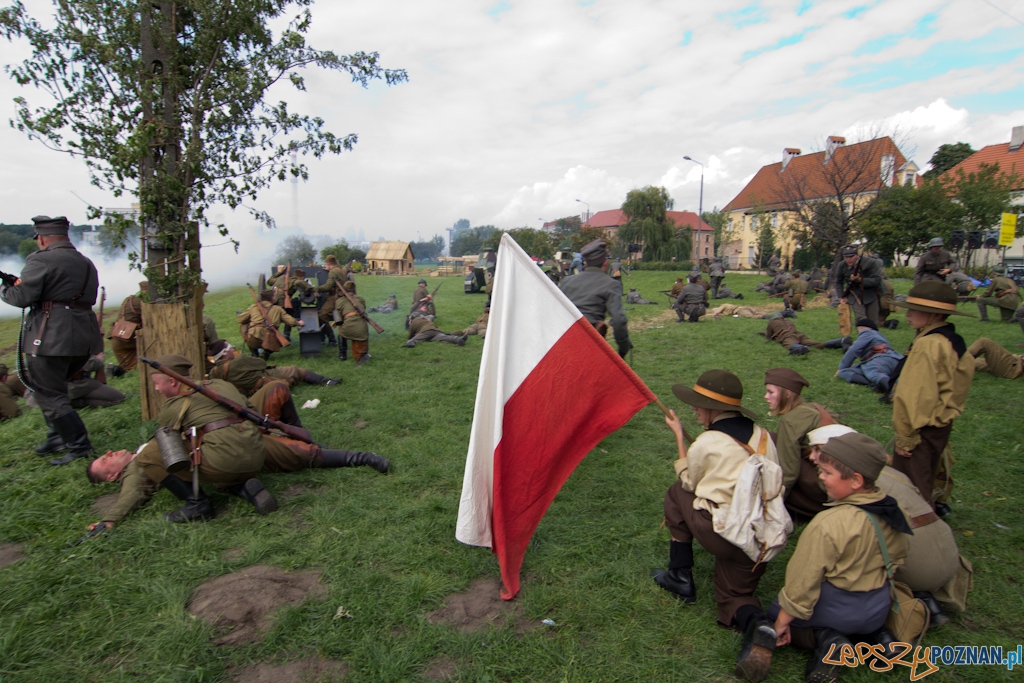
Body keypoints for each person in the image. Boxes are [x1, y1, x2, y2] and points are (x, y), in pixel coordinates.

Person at [655, 370, 781, 682]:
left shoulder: (709, 441)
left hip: (722, 532)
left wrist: (679, 437)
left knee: (676, 494)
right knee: (734, 595)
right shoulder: (763, 435)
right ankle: (758, 625)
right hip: (760, 538)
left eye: (698, 404)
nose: (693, 409)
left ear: (713, 408)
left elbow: (689, 481)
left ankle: (680, 574)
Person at [769, 432, 911, 683]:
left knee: (776, 612)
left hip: (838, 611)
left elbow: (804, 581)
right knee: (858, 622)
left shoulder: (829, 523)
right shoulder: (894, 511)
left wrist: (781, 621)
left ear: (856, 480)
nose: (821, 478)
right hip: (877, 608)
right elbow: (898, 558)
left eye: (827, 473)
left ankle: (829, 641)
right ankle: (878, 638)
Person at [806, 426, 970, 627]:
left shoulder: (856, 487)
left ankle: (910, 596)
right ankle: (928, 601)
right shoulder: (889, 474)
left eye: (819, 451)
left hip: (917, 563)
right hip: (947, 550)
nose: (813, 457)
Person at [83, 354, 269, 527]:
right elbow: (252, 411)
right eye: (104, 460)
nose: (156, 389)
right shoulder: (219, 384)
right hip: (257, 454)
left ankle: (198, 504)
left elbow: (167, 442)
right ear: (112, 476)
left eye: (156, 383)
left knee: (151, 452)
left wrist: (109, 521)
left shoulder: (173, 406)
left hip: (226, 457)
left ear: (172, 381)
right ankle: (239, 486)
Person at [86, 426, 389, 530]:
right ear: (112, 475)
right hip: (212, 462)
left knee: (302, 455)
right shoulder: (138, 466)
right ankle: (204, 502)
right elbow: (131, 494)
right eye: (105, 460)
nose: (110, 452)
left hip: (228, 447)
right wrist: (110, 520)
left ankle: (360, 457)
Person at [0, 215, 103, 466]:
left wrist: (6, 289)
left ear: (42, 238)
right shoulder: (86, 262)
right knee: (53, 389)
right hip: (82, 337)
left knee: (48, 392)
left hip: (51, 337)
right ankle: (56, 436)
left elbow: (22, 297)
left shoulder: (40, 259)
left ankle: (79, 446)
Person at [889, 281, 974, 513]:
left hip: (920, 428)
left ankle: (924, 538)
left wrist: (906, 435)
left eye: (913, 310)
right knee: (926, 475)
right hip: (940, 424)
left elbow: (914, 394)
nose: (907, 314)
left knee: (910, 488)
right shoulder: (951, 338)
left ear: (933, 314)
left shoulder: (928, 344)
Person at [763, 368, 834, 519]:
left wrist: (774, 506)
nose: (766, 397)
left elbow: (789, 474)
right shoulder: (814, 408)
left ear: (787, 394)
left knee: (770, 443)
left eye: (771, 392)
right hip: (840, 473)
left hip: (828, 485)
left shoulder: (790, 422)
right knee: (775, 439)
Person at [559, 240, 632, 358]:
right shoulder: (610, 284)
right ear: (606, 262)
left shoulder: (567, 282)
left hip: (564, 345)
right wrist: (624, 348)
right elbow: (618, 321)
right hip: (591, 346)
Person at [835, 318, 903, 393]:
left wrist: (841, 367)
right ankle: (879, 384)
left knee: (876, 374)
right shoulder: (880, 336)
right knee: (844, 372)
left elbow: (854, 349)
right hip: (896, 360)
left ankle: (894, 393)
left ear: (861, 328)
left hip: (879, 359)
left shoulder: (867, 332)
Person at [237, 289, 303, 361]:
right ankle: (267, 352)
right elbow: (291, 321)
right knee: (281, 337)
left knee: (243, 327)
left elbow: (240, 319)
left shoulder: (254, 307)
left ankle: (254, 353)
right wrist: (299, 323)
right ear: (272, 298)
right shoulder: (278, 309)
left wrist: (252, 319)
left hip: (253, 338)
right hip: (270, 341)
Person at [836, 245, 883, 324]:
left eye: (851, 256)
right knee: (860, 319)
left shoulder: (870, 263)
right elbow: (838, 281)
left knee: (873, 322)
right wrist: (841, 296)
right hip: (854, 294)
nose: (848, 259)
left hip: (870, 293)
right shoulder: (842, 265)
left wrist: (860, 280)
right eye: (846, 257)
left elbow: (877, 280)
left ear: (857, 255)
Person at [107, 281, 146, 373]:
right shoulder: (144, 301)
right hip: (132, 337)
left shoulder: (128, 299)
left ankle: (114, 371)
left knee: (128, 369)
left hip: (116, 338)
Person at [267, 266, 312, 341]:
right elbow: (305, 287)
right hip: (282, 302)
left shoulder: (281, 278)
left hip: (273, 301)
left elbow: (269, 281)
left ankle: (282, 335)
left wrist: (279, 272)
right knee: (289, 314)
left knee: (280, 316)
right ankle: (285, 334)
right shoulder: (296, 281)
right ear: (302, 277)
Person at [761, 318, 845, 356]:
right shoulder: (788, 320)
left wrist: (765, 334)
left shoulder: (771, 322)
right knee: (816, 344)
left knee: (789, 344)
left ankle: (801, 348)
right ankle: (840, 341)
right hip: (799, 334)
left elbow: (769, 337)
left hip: (787, 336)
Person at [334, 281, 370, 364]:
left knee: (340, 329)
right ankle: (363, 355)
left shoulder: (339, 301)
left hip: (348, 329)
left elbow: (338, 319)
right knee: (363, 330)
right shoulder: (361, 299)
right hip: (361, 329)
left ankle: (343, 354)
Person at [315, 255, 347, 346]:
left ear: (328, 263)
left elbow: (328, 286)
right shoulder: (340, 270)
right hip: (342, 296)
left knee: (322, 315)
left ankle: (332, 340)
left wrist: (316, 289)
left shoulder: (333, 272)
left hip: (336, 297)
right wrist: (329, 269)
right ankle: (324, 338)